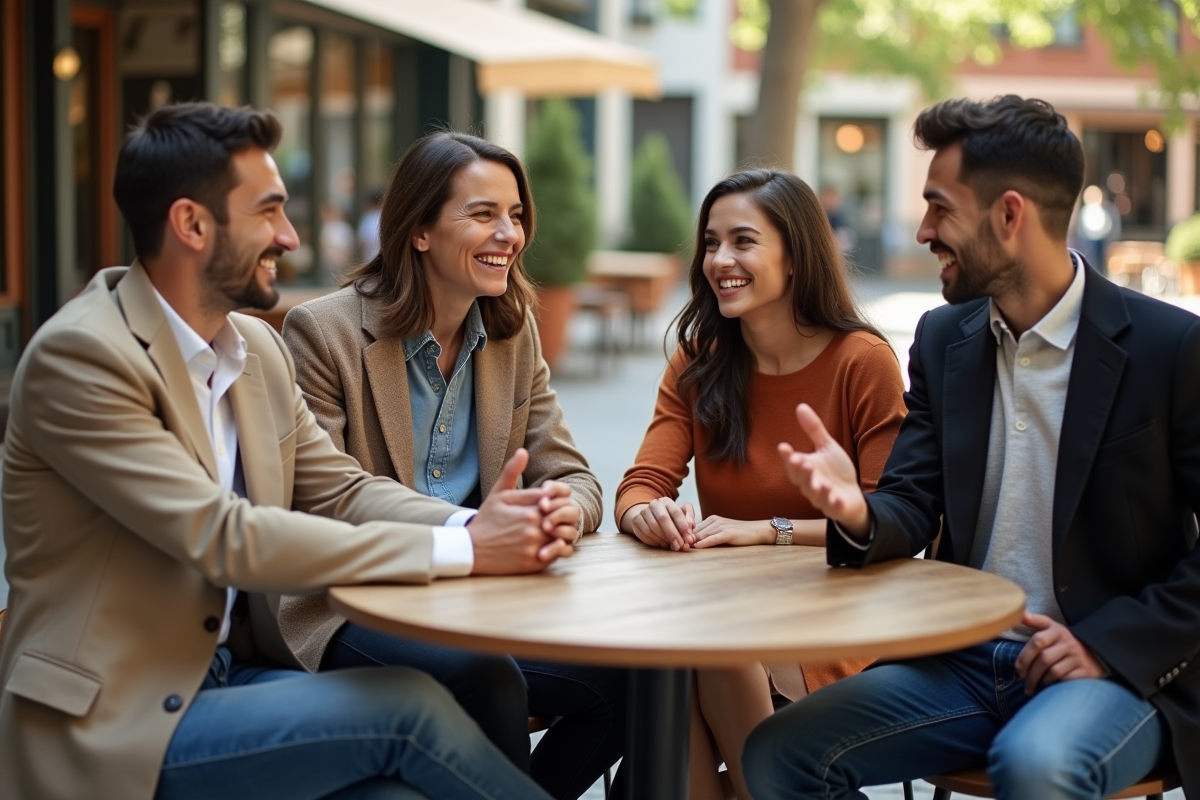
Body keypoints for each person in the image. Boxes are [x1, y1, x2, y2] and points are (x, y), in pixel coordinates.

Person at [0, 102, 573, 800]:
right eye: (269, 212)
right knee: (408, 710)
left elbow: (341, 490)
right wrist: (467, 553)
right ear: (192, 224)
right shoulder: (82, 358)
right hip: (112, 717)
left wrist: (469, 527)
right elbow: (221, 536)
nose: (290, 235)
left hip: (226, 676)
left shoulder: (257, 350)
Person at [745, 95, 1200, 800]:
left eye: (940, 208)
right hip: (959, 661)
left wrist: (1108, 647)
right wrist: (858, 513)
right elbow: (911, 501)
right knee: (778, 753)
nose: (923, 230)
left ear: (1009, 216)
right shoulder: (942, 339)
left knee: (1037, 764)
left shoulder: (1172, 349)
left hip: (1107, 670)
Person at [278, 131, 624, 800]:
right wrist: (471, 530)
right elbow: (325, 496)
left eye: (516, 214)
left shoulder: (512, 331)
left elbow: (576, 477)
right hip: (353, 601)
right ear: (419, 232)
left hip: (485, 600)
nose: (509, 234)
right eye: (483, 213)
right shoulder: (322, 333)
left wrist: (554, 509)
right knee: (486, 675)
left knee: (633, 678)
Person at [615, 169, 906, 800]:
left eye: (743, 241)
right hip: (731, 612)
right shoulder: (698, 362)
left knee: (695, 652)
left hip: (841, 614)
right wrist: (645, 514)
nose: (721, 260)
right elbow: (642, 482)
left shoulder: (862, 362)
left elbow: (898, 523)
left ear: (796, 257)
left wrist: (766, 532)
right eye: (711, 242)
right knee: (668, 654)